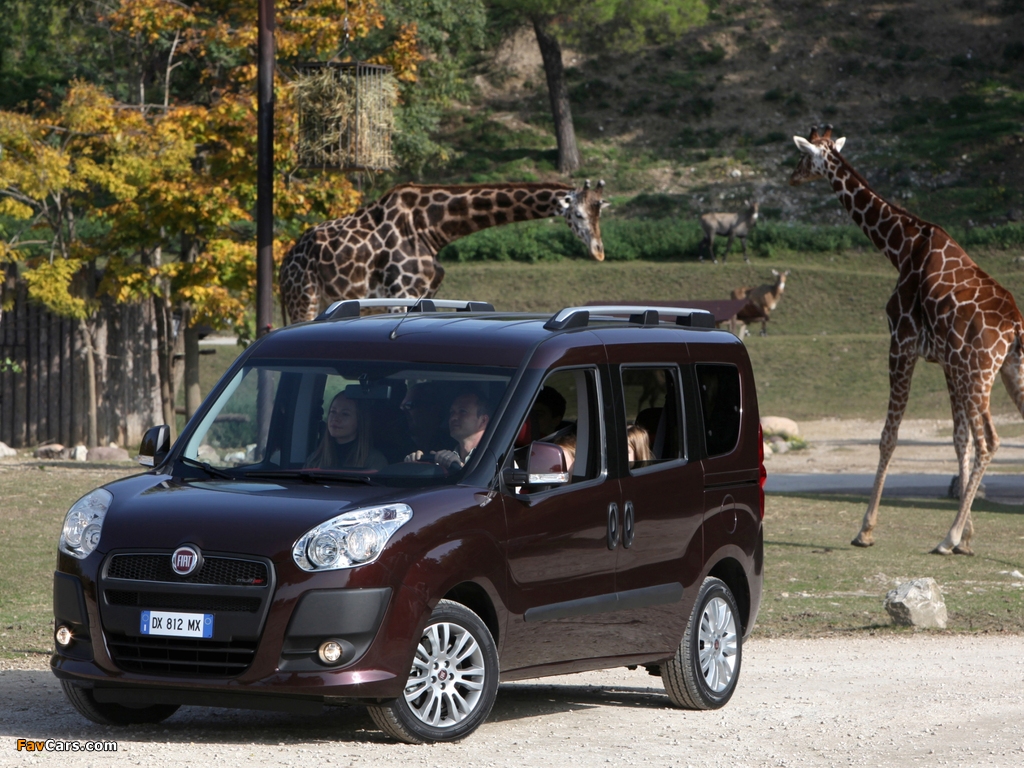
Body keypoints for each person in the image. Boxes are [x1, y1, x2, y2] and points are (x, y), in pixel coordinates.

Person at [405, 389, 491, 471]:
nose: (453, 417)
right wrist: (420, 463)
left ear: (483, 420)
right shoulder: (444, 454)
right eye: (452, 412)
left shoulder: (493, 457)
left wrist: (460, 467)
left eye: (462, 411)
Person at [306, 391, 388, 470]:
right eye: (333, 411)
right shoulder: (315, 459)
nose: (335, 418)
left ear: (360, 420)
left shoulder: (374, 461)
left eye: (345, 414)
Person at [400, 381, 450, 454]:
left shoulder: (452, 445)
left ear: (433, 409)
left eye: (409, 405)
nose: (403, 411)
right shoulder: (395, 444)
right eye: (401, 406)